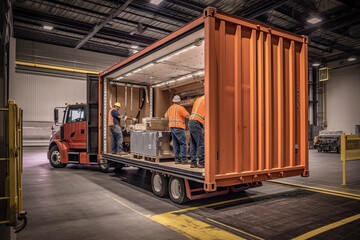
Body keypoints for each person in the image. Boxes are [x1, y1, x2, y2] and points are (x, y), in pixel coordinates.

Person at [165, 95, 189, 164]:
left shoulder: (170, 108)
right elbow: (187, 115)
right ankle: (184, 159)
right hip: (179, 127)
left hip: (172, 127)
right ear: (179, 101)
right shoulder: (180, 108)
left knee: (175, 143)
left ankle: (177, 159)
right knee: (183, 143)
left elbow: (165, 116)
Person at [188, 95, 205, 168]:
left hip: (191, 121)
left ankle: (193, 162)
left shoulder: (199, 99)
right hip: (196, 122)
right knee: (200, 143)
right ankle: (201, 162)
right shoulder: (206, 99)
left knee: (193, 143)